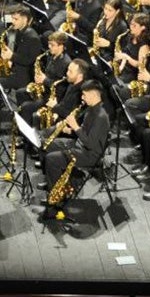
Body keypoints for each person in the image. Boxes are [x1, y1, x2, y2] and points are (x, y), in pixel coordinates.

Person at [41, 80, 110, 209]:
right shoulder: (91, 109)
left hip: (89, 155)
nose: (82, 98)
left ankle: (57, 197)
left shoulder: (101, 116)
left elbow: (90, 143)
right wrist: (69, 130)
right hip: (79, 145)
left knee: (52, 159)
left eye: (84, 95)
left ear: (94, 95)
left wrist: (75, 126)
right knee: (47, 144)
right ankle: (55, 182)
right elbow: (84, 132)